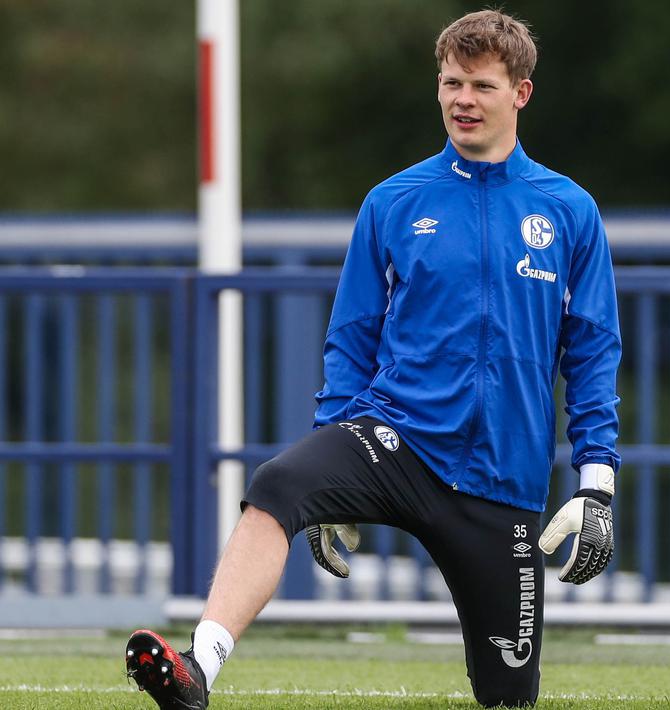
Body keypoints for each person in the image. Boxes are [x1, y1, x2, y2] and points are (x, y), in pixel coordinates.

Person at [125, 10, 621, 709]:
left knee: (508, 697)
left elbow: (593, 348)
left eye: (480, 85)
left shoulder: (568, 210)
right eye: (450, 83)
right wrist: (333, 443)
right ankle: (196, 669)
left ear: (521, 93)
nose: (462, 100)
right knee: (278, 485)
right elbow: (352, 334)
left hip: (501, 477)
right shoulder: (393, 201)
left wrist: (594, 481)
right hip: (395, 437)